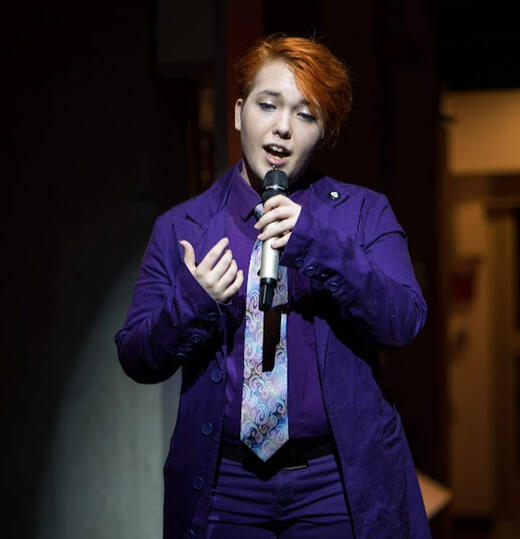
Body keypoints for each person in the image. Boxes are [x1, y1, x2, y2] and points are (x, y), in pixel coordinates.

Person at [115, 34, 431, 539]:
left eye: (306, 115)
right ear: (239, 113)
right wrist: (194, 302)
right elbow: (135, 355)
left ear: (321, 131)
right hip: (225, 483)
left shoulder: (363, 213)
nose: (283, 127)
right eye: (268, 105)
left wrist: (317, 242)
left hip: (333, 479)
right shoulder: (184, 226)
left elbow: (405, 320)